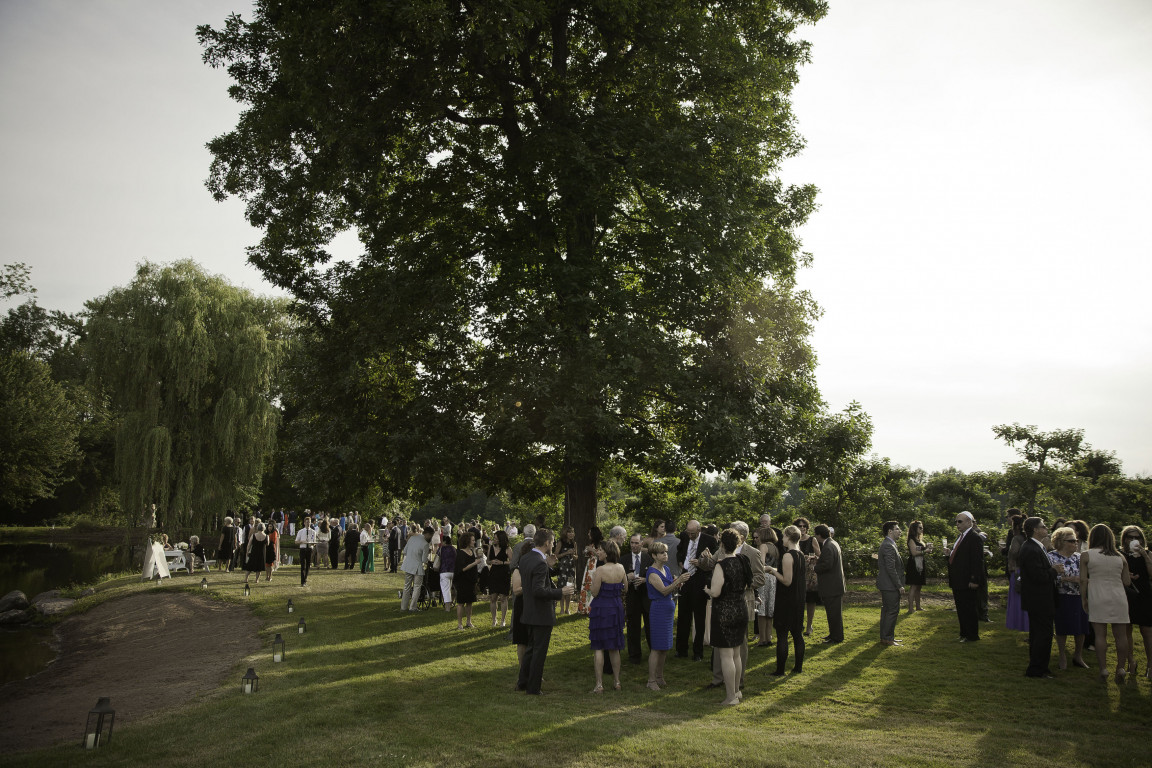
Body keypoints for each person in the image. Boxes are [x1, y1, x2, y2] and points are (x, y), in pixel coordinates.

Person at [516, 528, 574, 695]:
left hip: (529, 611)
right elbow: (538, 590)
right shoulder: (539, 562)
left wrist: (548, 566)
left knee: (530, 650)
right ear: (547, 543)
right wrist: (560, 592)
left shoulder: (526, 558)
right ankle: (533, 688)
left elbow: (535, 579)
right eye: (553, 542)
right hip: (541, 613)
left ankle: (523, 682)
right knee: (539, 652)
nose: (554, 544)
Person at [704, 529, 752, 705]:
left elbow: (716, 592)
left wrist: (707, 590)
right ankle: (737, 691)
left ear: (722, 544)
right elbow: (749, 582)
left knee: (726, 656)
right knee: (736, 654)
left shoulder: (721, 565)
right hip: (741, 608)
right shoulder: (743, 560)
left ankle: (731, 697)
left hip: (724, 611)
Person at [1081, 523, 1133, 682]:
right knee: (1121, 636)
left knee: (1100, 635)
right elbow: (1127, 582)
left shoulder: (1087, 555)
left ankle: (1103, 669)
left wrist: (1084, 598)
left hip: (1098, 595)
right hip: (1118, 596)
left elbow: (1083, 580)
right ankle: (1121, 668)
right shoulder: (1120, 557)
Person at [1019, 517, 1060, 678]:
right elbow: (1038, 576)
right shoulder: (1031, 549)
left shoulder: (1036, 547)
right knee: (1042, 634)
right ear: (1035, 530)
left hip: (1039, 598)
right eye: (1043, 526)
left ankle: (1040, 666)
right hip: (1039, 599)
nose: (1046, 528)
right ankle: (1037, 668)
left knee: (1039, 634)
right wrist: (1054, 570)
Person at [645, 540, 688, 690]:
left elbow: (671, 588)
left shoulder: (667, 569)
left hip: (668, 608)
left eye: (666, 552)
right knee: (656, 647)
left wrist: (677, 582)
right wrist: (678, 581)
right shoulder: (652, 573)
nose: (665, 555)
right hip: (659, 610)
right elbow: (663, 591)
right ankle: (651, 681)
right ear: (654, 556)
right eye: (662, 553)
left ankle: (659, 676)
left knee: (664, 646)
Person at [1047, 526, 1090, 670]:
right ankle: (1062, 655)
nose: (1075, 543)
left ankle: (1078, 656)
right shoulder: (1051, 557)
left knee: (1081, 627)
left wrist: (1084, 580)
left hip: (1079, 596)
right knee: (1062, 627)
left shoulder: (1080, 557)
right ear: (1061, 541)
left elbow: (1088, 575)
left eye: (1076, 540)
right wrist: (1067, 579)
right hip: (1062, 596)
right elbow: (1049, 577)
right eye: (1071, 540)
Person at [766, 525, 806, 674]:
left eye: (783, 536)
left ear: (789, 537)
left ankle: (780, 670)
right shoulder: (800, 554)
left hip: (787, 598)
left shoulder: (788, 555)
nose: (782, 539)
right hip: (798, 598)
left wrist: (771, 571)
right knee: (797, 633)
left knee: (782, 634)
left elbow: (787, 580)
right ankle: (798, 667)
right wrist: (776, 570)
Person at [675, 520, 717, 661]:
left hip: (700, 579)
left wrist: (700, 563)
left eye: (693, 533)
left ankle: (697, 651)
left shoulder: (709, 541)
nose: (690, 535)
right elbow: (680, 551)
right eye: (688, 532)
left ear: (699, 530)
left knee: (699, 617)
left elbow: (713, 562)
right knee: (683, 616)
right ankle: (681, 649)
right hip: (686, 577)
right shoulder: (685, 537)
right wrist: (682, 563)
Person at [588, 540, 626, 692]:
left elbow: (595, 592)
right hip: (616, 607)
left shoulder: (601, 570)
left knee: (599, 646)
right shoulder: (621, 568)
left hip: (602, 609)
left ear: (608, 552)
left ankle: (599, 684)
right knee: (614, 647)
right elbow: (626, 588)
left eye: (601, 550)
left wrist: (592, 583)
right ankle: (617, 682)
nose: (598, 552)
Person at [945, 511, 985, 643]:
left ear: (969, 522)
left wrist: (974, 579)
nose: (957, 524)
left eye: (960, 521)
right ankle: (964, 632)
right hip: (958, 578)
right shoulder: (961, 536)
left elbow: (977, 561)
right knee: (961, 607)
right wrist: (950, 554)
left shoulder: (974, 538)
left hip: (967, 579)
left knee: (969, 608)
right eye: (956, 521)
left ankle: (972, 635)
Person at [1119, 525, 1152, 680]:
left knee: (1147, 630)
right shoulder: (1120, 554)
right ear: (1124, 539)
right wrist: (1127, 576)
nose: (1133, 540)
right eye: (1130, 537)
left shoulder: (1148, 553)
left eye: (1136, 537)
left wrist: (1145, 556)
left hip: (1145, 593)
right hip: (1127, 593)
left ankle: (1150, 665)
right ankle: (1130, 661)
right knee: (1127, 629)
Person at [813, 524, 846, 644]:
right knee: (833, 613)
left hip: (831, 586)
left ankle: (836, 637)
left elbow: (827, 564)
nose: (815, 537)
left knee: (833, 614)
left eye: (815, 534)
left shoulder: (827, 546)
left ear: (819, 535)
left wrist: (815, 567)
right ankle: (833, 634)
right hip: (835, 585)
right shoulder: (833, 543)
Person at [876, 520, 904, 647]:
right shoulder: (888, 545)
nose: (900, 531)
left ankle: (886, 637)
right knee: (891, 611)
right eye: (897, 529)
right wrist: (899, 585)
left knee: (888, 611)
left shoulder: (890, 544)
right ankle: (887, 638)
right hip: (890, 585)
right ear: (890, 531)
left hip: (887, 584)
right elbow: (890, 568)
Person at [623, 532, 650, 664]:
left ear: (642, 543)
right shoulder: (624, 559)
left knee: (650, 626)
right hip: (632, 596)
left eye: (636, 543)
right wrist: (627, 579)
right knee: (633, 627)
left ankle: (653, 653)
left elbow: (655, 576)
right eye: (632, 543)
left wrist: (645, 580)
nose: (633, 545)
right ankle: (634, 655)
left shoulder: (648, 558)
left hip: (646, 596)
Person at [795, 517, 822, 636]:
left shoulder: (812, 540)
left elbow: (819, 555)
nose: (802, 528)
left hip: (810, 575)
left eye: (804, 526)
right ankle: (798, 625)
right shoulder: (793, 539)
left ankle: (809, 625)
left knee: (811, 601)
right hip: (797, 573)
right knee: (798, 601)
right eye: (800, 526)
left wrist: (811, 558)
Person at [1004, 513, 1029, 631]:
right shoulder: (1029, 539)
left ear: (1017, 527)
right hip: (1028, 571)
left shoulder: (1017, 539)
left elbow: (1013, 552)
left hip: (1018, 570)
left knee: (1018, 599)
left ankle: (1020, 623)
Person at [400, 526, 433, 611]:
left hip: (408, 564)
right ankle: (413, 607)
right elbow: (423, 560)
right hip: (417, 567)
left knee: (407, 586)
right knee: (417, 587)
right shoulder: (425, 544)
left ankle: (403, 607)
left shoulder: (413, 538)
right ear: (428, 534)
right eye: (431, 535)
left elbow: (405, 551)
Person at [755, 526, 779, 647]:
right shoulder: (775, 547)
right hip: (774, 578)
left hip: (764, 578)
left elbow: (761, 565)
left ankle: (762, 639)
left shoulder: (763, 546)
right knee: (770, 610)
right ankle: (769, 637)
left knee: (761, 609)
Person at [453, 531, 481, 629]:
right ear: (467, 541)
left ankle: (469, 621)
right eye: (473, 540)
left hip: (471, 581)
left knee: (470, 602)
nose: (474, 542)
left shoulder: (472, 552)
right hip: (462, 581)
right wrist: (475, 563)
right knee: (461, 603)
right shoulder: (460, 553)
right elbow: (462, 568)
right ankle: (460, 624)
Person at [904, 520, 933, 613]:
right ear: (914, 529)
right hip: (914, 564)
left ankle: (918, 606)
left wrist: (927, 548)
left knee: (919, 586)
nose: (922, 529)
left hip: (920, 563)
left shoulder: (918, 539)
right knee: (914, 586)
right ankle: (910, 608)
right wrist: (925, 551)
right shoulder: (911, 539)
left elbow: (921, 550)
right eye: (920, 527)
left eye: (922, 527)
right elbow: (914, 552)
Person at [577, 526, 605, 615]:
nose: (588, 534)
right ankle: (585, 608)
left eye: (590, 533)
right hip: (589, 567)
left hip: (596, 566)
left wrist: (591, 550)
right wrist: (586, 550)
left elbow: (600, 557)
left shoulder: (602, 544)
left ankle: (593, 608)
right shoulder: (591, 544)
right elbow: (585, 554)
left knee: (594, 585)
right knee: (587, 586)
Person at [487, 530, 512, 627]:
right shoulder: (491, 548)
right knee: (493, 598)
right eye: (494, 538)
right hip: (493, 574)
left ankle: (503, 620)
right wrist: (491, 562)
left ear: (501, 539)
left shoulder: (507, 549)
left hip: (504, 574)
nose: (494, 540)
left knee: (503, 598)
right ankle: (494, 620)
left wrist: (502, 562)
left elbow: (513, 561)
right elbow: (488, 561)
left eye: (496, 538)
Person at [553, 525, 578, 615]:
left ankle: (568, 609)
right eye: (569, 532)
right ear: (565, 533)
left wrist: (573, 555)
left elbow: (576, 556)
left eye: (572, 532)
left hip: (571, 568)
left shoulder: (574, 543)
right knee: (562, 588)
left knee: (570, 588)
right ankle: (562, 609)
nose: (571, 534)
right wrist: (566, 553)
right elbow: (556, 555)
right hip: (562, 568)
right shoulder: (561, 542)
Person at [296, 515, 317, 586]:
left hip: (309, 549)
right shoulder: (300, 531)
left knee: (308, 565)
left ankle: (305, 579)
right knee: (303, 565)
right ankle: (303, 581)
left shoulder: (313, 532)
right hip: (303, 549)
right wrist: (302, 541)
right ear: (304, 523)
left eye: (309, 522)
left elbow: (314, 542)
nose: (308, 523)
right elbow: (296, 541)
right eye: (307, 522)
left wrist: (313, 543)